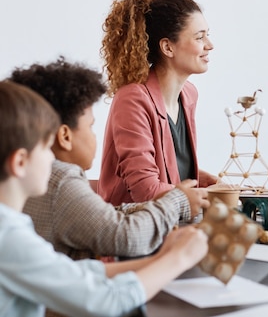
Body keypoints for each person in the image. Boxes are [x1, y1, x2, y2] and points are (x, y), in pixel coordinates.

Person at [0, 80, 208, 317]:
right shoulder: (9, 237)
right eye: (46, 148)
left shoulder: (13, 227)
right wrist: (177, 259)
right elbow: (106, 302)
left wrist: (160, 258)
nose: (51, 158)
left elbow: (72, 272)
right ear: (19, 162)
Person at [9, 57, 210, 260]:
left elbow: (106, 215)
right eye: (90, 126)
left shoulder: (41, 185)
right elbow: (127, 236)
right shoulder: (61, 181)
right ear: (65, 137)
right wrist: (177, 202)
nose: (96, 136)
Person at [98, 0, 219, 205]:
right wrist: (205, 196)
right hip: (133, 228)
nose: (210, 45)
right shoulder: (132, 100)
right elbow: (145, 189)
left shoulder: (189, 95)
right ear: (168, 48)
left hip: (174, 222)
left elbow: (167, 169)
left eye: (207, 35)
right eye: (200, 37)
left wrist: (203, 181)